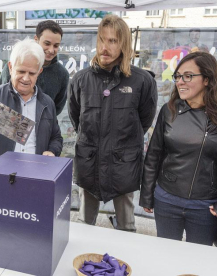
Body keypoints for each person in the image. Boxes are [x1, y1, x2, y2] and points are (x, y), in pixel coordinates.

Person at [139, 51, 217, 245]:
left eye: (188, 76)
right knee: (166, 255)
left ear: (207, 79)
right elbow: (154, 156)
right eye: (178, 76)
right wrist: (147, 195)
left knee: (199, 263)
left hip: (206, 206)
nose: (180, 81)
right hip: (167, 199)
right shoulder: (169, 110)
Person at [68, 15, 157, 231]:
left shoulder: (142, 81)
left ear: (124, 44)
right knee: (84, 225)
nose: (104, 47)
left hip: (123, 165)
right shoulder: (80, 80)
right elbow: (76, 117)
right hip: (89, 163)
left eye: (113, 41)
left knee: (126, 227)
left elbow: (143, 122)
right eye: (101, 40)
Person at [0, 38, 63, 165]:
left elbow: (56, 137)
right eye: (21, 71)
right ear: (10, 67)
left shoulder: (47, 103)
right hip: (1, 176)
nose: (25, 78)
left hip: (36, 177)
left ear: (39, 72)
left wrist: (52, 151)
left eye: (31, 73)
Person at [0, 20, 69, 116]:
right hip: (10, 125)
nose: (51, 50)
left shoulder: (62, 74)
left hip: (42, 128)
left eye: (56, 45)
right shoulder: (15, 65)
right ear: (36, 39)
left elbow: (57, 108)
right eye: (47, 44)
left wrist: (42, 123)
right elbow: (1, 97)